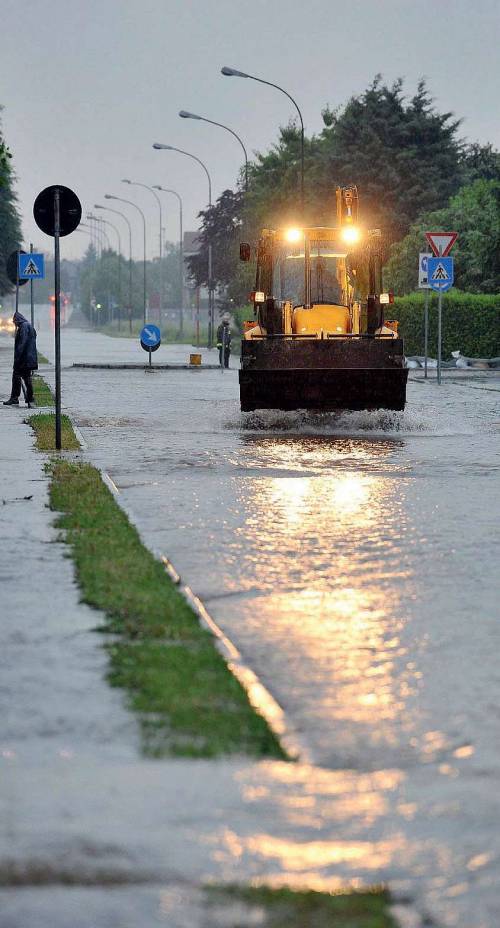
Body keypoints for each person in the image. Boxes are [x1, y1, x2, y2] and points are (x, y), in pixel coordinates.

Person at [3, 310, 38, 407]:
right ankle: (30, 397)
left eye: (15, 322)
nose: (15, 324)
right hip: (30, 358)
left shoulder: (23, 327)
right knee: (27, 377)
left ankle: (14, 398)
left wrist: (17, 358)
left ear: (18, 320)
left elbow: (22, 344)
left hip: (24, 358)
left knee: (16, 376)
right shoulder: (29, 326)